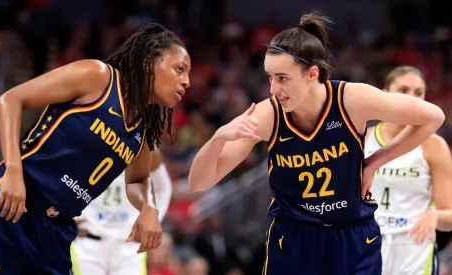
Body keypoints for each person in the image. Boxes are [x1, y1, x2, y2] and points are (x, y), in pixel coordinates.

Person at [187, 12, 445, 275]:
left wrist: (375, 162)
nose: (273, 89)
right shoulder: (268, 115)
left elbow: (433, 117)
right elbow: (199, 182)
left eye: (282, 78)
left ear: (311, 74)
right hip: (295, 238)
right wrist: (218, 138)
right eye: (270, 77)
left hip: (352, 236)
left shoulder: (351, 100)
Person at [0, 23, 190, 275]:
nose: (186, 81)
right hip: (12, 204)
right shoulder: (98, 76)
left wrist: (149, 207)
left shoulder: (144, 128)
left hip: (56, 230)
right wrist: (13, 171)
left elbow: (138, 179)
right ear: (149, 63)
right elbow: (11, 100)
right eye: (179, 69)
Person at [366, 66, 452, 275]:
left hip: (414, 248)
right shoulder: (362, 140)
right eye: (403, 90)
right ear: (385, 93)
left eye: (418, 92)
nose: (411, 98)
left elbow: (449, 217)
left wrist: (435, 216)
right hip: (366, 244)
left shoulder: (434, 145)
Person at [71, 149, 173, 275]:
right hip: (88, 239)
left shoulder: (144, 145)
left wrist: (153, 220)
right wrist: (67, 218)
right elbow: (62, 179)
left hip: (129, 242)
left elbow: (163, 187)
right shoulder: (88, 140)